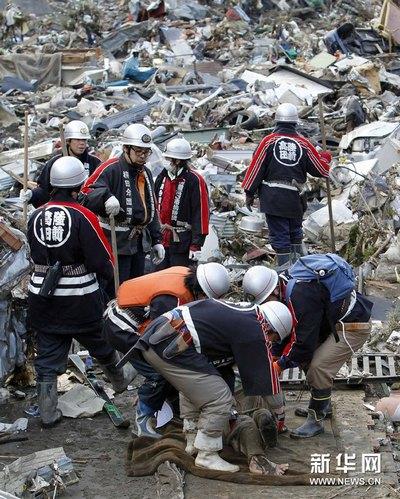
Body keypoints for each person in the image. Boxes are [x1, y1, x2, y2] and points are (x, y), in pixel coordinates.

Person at [121, 298, 293, 472]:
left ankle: (192, 438)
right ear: (271, 329)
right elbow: (267, 379)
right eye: (274, 339)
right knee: (219, 398)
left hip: (159, 337)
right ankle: (207, 454)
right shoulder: (256, 329)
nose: (270, 343)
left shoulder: (244, 312)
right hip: (171, 343)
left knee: (197, 384)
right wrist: (279, 412)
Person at [27, 157, 135, 428]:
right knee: (100, 342)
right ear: (78, 187)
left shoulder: (35, 215)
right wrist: (111, 278)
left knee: (48, 352)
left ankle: (47, 412)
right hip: (80, 297)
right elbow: (101, 259)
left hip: (42, 297)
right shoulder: (83, 215)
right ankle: (120, 380)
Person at [243, 256, 373, 439]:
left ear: (274, 290)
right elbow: (288, 330)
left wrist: (279, 365)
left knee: (318, 367)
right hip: (330, 321)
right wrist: (274, 355)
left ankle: (316, 420)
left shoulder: (301, 296)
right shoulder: (284, 285)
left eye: (266, 301)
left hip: (353, 325)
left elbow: (303, 344)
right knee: (304, 360)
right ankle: (323, 405)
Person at [104, 263, 231, 438]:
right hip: (122, 326)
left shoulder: (187, 277)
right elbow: (159, 335)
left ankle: (170, 406)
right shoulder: (170, 299)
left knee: (173, 366)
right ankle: (143, 421)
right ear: (201, 291)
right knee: (161, 371)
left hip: (135, 321)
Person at [242, 102, 332, 267]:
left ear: (277, 121)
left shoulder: (268, 141)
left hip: (273, 197)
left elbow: (256, 168)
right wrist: (325, 158)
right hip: (295, 197)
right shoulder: (304, 144)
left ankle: (285, 271)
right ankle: (299, 268)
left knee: (280, 236)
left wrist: (249, 192)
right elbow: (321, 170)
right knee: (294, 232)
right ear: (295, 123)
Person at [80, 123, 164, 293]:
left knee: (135, 288)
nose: (142, 156)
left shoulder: (146, 173)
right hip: (116, 243)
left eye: (146, 152)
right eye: (138, 151)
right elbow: (85, 192)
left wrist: (157, 240)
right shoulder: (111, 168)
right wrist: (105, 196)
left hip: (139, 243)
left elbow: (151, 208)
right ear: (126, 148)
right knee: (115, 289)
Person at [154, 138, 209, 268]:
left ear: (177, 160)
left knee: (179, 276)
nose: (165, 161)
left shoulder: (194, 180)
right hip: (161, 239)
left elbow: (201, 214)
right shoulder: (162, 177)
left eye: (168, 158)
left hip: (182, 242)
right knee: (159, 275)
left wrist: (196, 245)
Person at [20, 120, 101, 208]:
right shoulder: (55, 163)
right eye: (77, 139)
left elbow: (101, 189)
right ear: (68, 141)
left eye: (84, 140)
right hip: (61, 209)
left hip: (87, 210)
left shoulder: (95, 163)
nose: (82, 143)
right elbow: (44, 190)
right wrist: (32, 195)